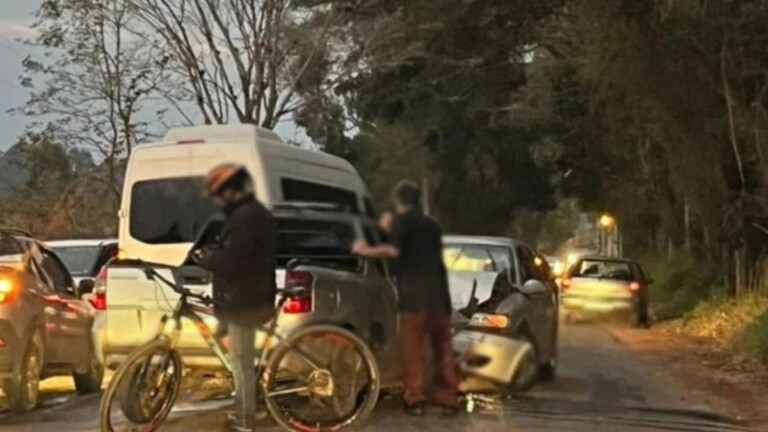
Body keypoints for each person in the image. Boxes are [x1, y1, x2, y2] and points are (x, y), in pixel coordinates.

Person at [352, 181, 459, 417]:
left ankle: (414, 399)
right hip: (439, 295)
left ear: (398, 201)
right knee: (442, 348)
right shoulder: (432, 225)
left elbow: (393, 251)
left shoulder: (403, 221)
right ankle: (449, 398)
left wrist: (363, 249)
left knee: (413, 350)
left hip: (414, 295)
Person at [191, 163, 278, 432]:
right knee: (226, 341)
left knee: (242, 365)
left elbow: (234, 260)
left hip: (245, 300)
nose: (216, 200)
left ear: (232, 191)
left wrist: (207, 258)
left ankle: (244, 420)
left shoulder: (247, 217)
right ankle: (254, 402)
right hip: (240, 298)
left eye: (219, 193)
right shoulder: (248, 214)